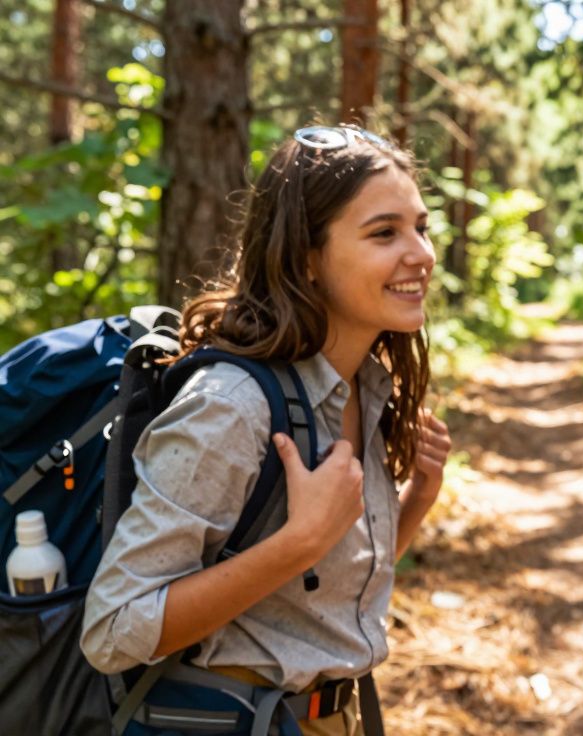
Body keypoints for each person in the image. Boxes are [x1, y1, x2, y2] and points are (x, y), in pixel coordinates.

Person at [81, 126, 453, 735]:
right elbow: (113, 630)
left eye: (421, 226)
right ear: (306, 258)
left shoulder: (362, 388)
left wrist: (418, 499)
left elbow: (324, 597)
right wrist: (297, 542)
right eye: (384, 232)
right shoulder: (233, 405)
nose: (421, 253)